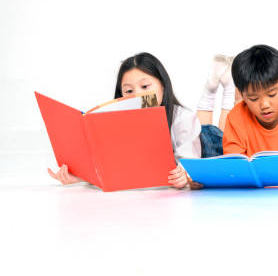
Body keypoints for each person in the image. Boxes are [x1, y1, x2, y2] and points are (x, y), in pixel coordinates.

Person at [48, 52, 201, 189]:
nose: (137, 95)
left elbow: (192, 166)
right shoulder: (118, 123)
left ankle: (212, 91)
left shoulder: (183, 118)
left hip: (206, 143)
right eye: (129, 91)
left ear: (163, 85)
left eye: (145, 86)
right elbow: (112, 167)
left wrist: (184, 175)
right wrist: (82, 177)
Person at [221, 44, 278, 156]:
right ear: (242, 94)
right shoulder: (235, 118)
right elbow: (235, 168)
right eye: (253, 98)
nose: (265, 105)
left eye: (272, 94)